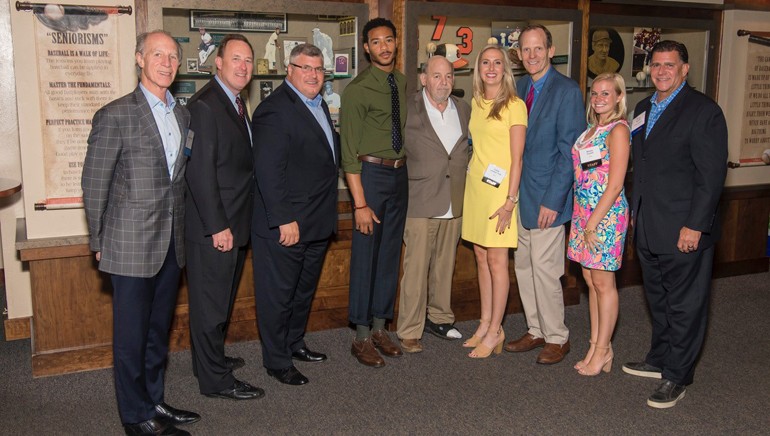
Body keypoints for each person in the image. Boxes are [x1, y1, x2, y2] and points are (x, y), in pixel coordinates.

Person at [81, 30, 199, 436]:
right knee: (131, 337)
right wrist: (98, 241)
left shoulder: (182, 115)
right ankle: (134, 418)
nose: (166, 62)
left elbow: (177, 181)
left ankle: (154, 401)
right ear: (139, 59)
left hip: (171, 244)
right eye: (157, 54)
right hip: (128, 245)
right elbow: (95, 184)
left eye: (172, 56)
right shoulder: (115, 115)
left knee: (156, 333)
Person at [622, 40, 727, 409]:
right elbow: (643, 166)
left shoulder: (704, 112)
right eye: (656, 65)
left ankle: (678, 375)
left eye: (670, 65)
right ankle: (660, 359)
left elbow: (711, 176)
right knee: (659, 298)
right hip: (650, 225)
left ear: (685, 69)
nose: (662, 71)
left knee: (685, 304)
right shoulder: (643, 108)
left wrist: (696, 225)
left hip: (685, 228)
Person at [252, 43, 339, 385]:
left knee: (302, 292)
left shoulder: (318, 105)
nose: (313, 75)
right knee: (278, 295)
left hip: (316, 221)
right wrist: (283, 218)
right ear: (288, 70)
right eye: (305, 68)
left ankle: (293, 342)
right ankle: (276, 360)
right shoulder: (275, 110)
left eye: (318, 69)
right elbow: (268, 171)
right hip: (286, 224)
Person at [184, 34, 264, 401]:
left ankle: (211, 361)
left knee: (220, 302)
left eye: (248, 60)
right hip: (214, 228)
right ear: (217, 62)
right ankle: (215, 381)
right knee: (210, 305)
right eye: (236, 59)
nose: (243, 66)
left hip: (234, 223)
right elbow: (199, 173)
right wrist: (218, 226)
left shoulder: (233, 102)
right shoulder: (206, 105)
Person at [505, 24, 585, 365]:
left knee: (546, 268)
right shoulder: (519, 86)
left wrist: (554, 201)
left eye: (538, 48)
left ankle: (557, 336)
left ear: (551, 51)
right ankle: (535, 328)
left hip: (548, 199)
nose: (532, 55)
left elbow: (570, 151)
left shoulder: (567, 91)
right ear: (519, 54)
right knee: (523, 266)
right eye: (526, 49)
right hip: (519, 196)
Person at [341, 18, 407, 368]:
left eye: (389, 40)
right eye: (376, 42)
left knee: (389, 254)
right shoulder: (357, 89)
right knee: (366, 255)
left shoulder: (402, 81)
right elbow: (348, 154)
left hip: (399, 175)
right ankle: (362, 336)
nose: (384, 47)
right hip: (369, 176)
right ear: (366, 47)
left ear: (396, 43)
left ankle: (382, 327)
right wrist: (360, 203)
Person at [396, 55, 471, 353]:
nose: (444, 82)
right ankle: (410, 330)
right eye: (437, 76)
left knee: (445, 264)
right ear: (424, 78)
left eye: (449, 76)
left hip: (454, 198)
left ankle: (440, 318)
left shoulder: (463, 109)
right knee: (415, 268)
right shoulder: (408, 108)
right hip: (419, 199)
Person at [461, 45, 527, 359]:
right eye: (485, 62)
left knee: (498, 262)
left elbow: (517, 159)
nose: (491, 68)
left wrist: (510, 201)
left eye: (497, 63)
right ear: (478, 68)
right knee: (480, 257)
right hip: (477, 189)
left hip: (501, 195)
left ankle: (496, 329)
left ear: (505, 69)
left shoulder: (514, 105)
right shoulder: (475, 102)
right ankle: (485, 322)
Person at [566, 73, 630, 376]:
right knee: (591, 282)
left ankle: (603, 350)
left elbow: (615, 184)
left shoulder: (618, 130)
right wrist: (582, 220)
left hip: (605, 216)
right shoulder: (592, 129)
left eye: (607, 93)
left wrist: (592, 223)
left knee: (604, 284)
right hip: (583, 215)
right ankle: (596, 345)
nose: (599, 98)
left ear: (619, 96)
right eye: (595, 93)